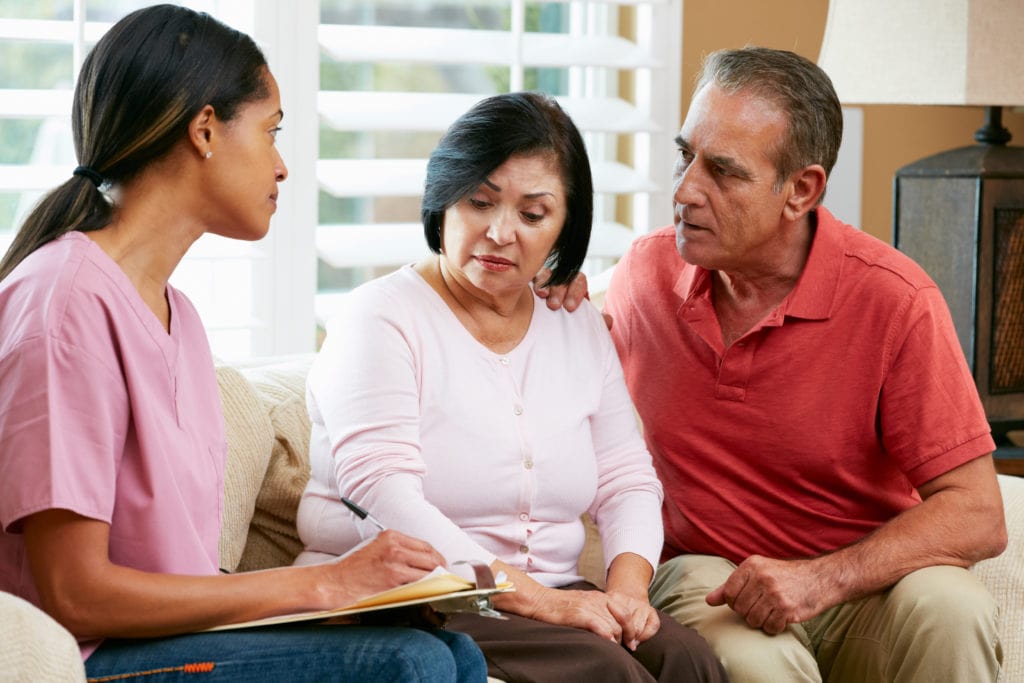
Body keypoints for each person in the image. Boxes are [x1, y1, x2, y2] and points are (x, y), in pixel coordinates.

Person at [0, 6, 486, 682]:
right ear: (205, 130)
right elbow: (75, 593)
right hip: (91, 659)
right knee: (408, 664)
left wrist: (341, 604)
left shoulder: (183, 320)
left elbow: (184, 577)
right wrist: (319, 585)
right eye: (271, 131)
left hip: (165, 642)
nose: (283, 165)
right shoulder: (63, 303)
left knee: (452, 652)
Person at [594, 47, 1007, 682]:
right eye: (685, 156)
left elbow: (978, 512)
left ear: (802, 190)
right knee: (753, 656)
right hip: (710, 577)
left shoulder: (895, 300)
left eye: (723, 172)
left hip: (861, 588)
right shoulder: (644, 277)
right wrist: (545, 287)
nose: (683, 192)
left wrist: (823, 579)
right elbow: (537, 368)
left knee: (954, 608)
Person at [296, 92, 727, 682]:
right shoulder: (380, 317)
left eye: (532, 215)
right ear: (442, 200)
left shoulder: (574, 323)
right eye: (479, 202)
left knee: (689, 660)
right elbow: (382, 493)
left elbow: (626, 476)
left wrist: (628, 593)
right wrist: (542, 601)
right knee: (606, 673)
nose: (500, 232)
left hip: (549, 595)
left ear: (563, 228)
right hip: (423, 595)